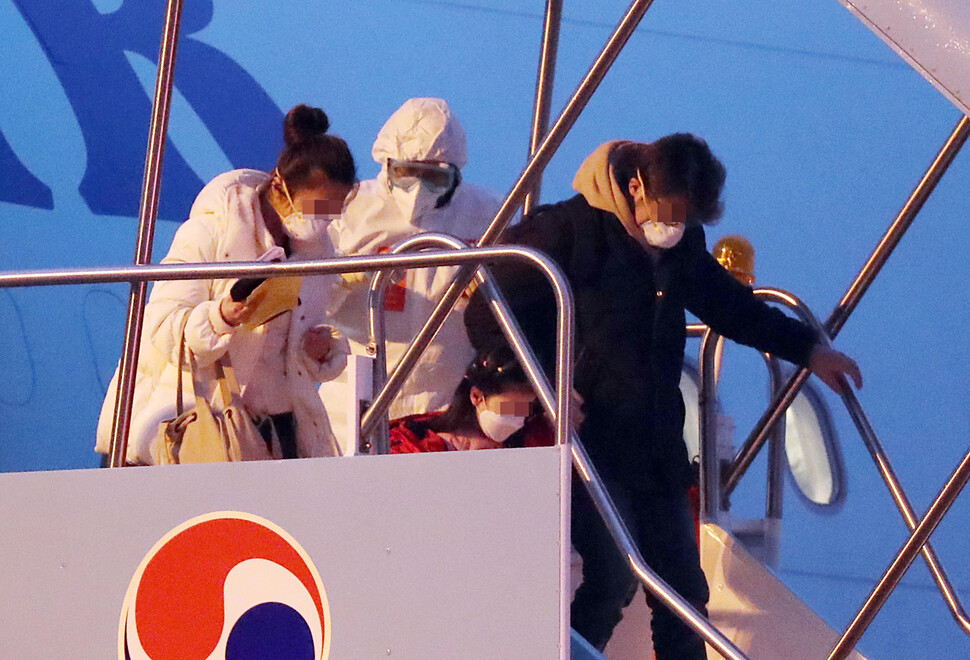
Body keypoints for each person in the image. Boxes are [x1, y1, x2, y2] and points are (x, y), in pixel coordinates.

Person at [464, 136, 862, 657]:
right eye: (668, 215)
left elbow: (734, 309)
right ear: (635, 186)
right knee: (609, 577)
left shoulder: (682, 246)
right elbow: (485, 310)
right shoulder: (567, 229)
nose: (671, 230)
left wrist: (808, 349)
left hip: (655, 444)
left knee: (685, 592)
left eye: (685, 221)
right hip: (587, 442)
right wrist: (544, 387)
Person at [95, 104, 355, 465]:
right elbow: (160, 327)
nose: (326, 221)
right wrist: (221, 317)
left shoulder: (319, 253)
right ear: (280, 187)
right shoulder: (212, 229)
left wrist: (318, 347)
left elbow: (293, 348)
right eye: (318, 208)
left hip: (270, 436)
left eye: (336, 210)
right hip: (192, 425)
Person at [323, 98, 501, 453]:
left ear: (456, 174)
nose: (418, 189)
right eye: (407, 173)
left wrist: (487, 295)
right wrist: (345, 279)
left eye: (434, 177)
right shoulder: (347, 208)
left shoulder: (490, 214)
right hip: (355, 401)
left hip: (449, 406)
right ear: (385, 162)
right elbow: (304, 299)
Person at [389, 347, 552, 454]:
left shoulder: (533, 436)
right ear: (476, 396)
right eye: (507, 408)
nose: (515, 419)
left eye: (523, 411)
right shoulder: (414, 439)